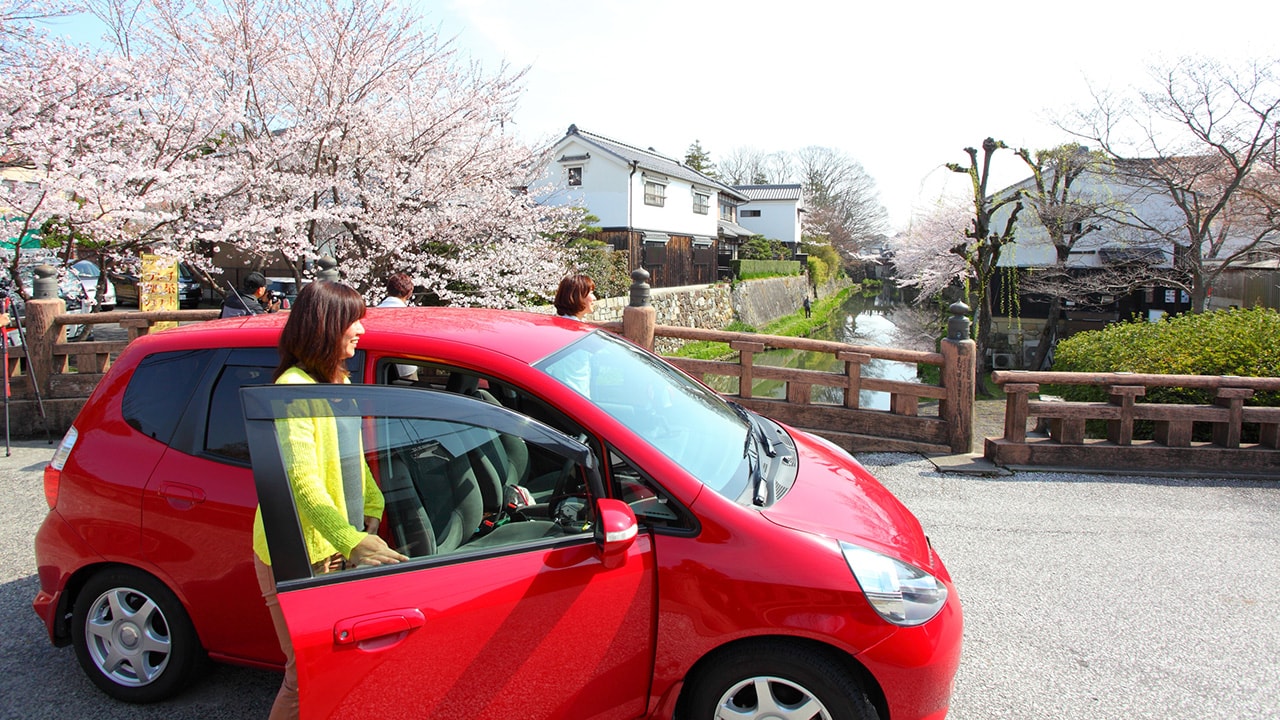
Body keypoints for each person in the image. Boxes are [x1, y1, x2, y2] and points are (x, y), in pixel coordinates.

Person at [251, 280, 407, 719]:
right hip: (295, 551)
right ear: (325, 326)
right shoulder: (293, 389)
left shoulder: (338, 380)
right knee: (304, 676)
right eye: (352, 320)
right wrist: (351, 540)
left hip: (336, 547)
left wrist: (371, 512)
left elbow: (352, 459)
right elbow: (302, 482)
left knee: (339, 669)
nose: (361, 329)